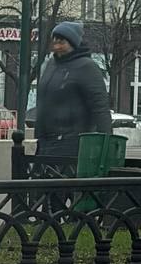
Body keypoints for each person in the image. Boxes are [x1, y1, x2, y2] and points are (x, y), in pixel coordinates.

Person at [34, 21, 111, 169]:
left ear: (73, 42)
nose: (56, 45)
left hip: (71, 144)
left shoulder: (86, 67)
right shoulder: (51, 65)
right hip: (45, 143)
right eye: (54, 41)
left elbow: (100, 107)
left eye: (61, 41)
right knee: (41, 188)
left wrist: (105, 147)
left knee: (63, 189)